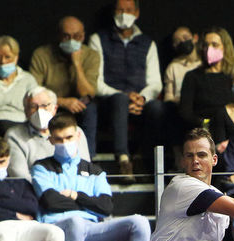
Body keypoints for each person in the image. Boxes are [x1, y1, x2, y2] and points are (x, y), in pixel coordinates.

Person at [31, 112, 149, 241]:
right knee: (76, 222)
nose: (64, 143)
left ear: (78, 136)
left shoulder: (95, 171)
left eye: (69, 137)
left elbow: (106, 206)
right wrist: (91, 204)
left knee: (140, 222)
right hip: (57, 229)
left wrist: (75, 196)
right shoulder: (41, 167)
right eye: (59, 139)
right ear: (51, 140)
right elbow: (51, 201)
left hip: (92, 230)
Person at [88, 0, 165, 177]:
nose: (124, 14)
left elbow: (155, 83)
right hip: (109, 103)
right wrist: (123, 96)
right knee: (120, 100)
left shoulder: (148, 43)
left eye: (129, 10)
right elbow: (96, 81)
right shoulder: (98, 39)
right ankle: (123, 159)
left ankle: (143, 158)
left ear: (136, 13)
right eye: (120, 10)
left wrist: (141, 98)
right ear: (113, 13)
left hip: (139, 103)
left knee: (157, 108)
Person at [29, 16, 100, 147]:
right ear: (58, 36)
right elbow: (34, 92)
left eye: (77, 36)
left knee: (91, 107)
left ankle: (89, 158)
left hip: (79, 104)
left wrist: (77, 64)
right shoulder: (41, 54)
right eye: (66, 36)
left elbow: (88, 94)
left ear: (83, 36)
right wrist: (62, 102)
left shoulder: (92, 55)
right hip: (50, 104)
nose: (72, 40)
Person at [6, 87, 91, 180]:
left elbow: (85, 169)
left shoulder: (74, 132)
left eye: (45, 105)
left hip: (74, 189)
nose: (39, 111)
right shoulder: (14, 136)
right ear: (26, 111)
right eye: (33, 107)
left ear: (55, 108)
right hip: (34, 192)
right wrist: (50, 190)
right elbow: (20, 176)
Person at [179, 28, 234, 133]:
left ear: (225, 47)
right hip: (203, 131)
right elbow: (185, 113)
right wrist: (206, 124)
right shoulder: (192, 77)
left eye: (215, 45)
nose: (209, 49)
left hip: (231, 130)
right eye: (206, 45)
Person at [161, 27, 200, 105]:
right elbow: (168, 97)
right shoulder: (173, 67)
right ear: (175, 46)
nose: (183, 41)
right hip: (180, 108)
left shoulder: (205, 64)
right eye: (178, 41)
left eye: (185, 37)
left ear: (195, 38)